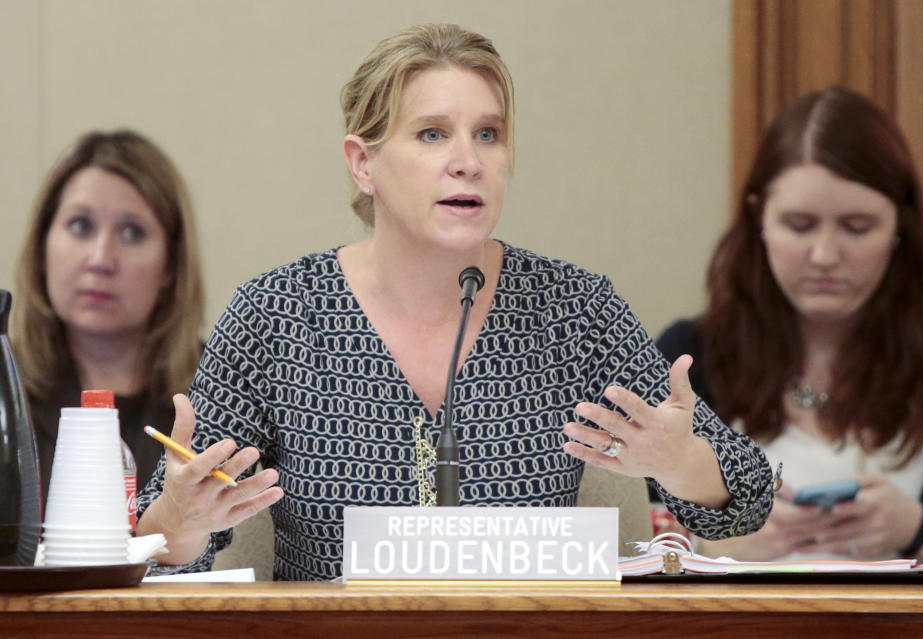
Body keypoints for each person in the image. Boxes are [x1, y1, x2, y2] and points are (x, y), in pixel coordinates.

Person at [137, 23, 776, 581]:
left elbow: (748, 495)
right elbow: (169, 549)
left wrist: (682, 461)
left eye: (489, 135)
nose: (468, 161)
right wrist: (179, 519)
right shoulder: (277, 315)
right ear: (364, 164)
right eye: (433, 134)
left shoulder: (574, 311)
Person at [656, 86, 923, 564]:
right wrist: (714, 539)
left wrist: (919, 530)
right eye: (799, 225)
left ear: (900, 229)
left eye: (857, 228)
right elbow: (621, 541)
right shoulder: (689, 356)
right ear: (760, 219)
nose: (824, 256)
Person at [12, 129, 205, 500]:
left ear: (170, 266)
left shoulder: (218, 393)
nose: (101, 259)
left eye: (132, 233)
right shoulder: (6, 391)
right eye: (81, 226)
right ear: (42, 248)